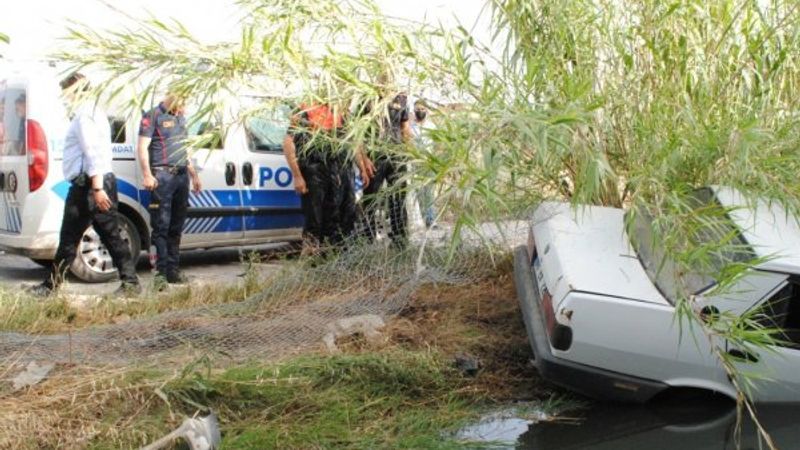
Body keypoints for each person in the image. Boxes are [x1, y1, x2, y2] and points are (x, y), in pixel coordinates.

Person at [30, 73, 141, 296]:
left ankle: (51, 286)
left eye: (66, 93)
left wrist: (97, 189)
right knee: (109, 235)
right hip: (94, 184)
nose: (64, 98)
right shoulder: (93, 113)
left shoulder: (84, 117)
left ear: (76, 91)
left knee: (71, 237)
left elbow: (94, 154)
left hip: (89, 186)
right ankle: (130, 283)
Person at [137, 93, 201, 286]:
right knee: (161, 227)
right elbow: (142, 147)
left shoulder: (180, 117)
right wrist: (147, 174)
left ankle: (173, 271)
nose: (185, 109)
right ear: (174, 98)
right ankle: (160, 274)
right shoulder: (153, 115)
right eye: (184, 104)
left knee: (176, 227)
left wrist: (194, 174)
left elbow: (185, 148)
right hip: (162, 176)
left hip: (181, 176)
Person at [283, 101, 356, 253]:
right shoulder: (306, 109)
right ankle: (311, 266)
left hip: (333, 172)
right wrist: (297, 176)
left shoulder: (339, 111)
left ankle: (329, 263)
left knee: (333, 220)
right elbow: (288, 143)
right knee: (314, 222)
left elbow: (352, 143)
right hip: (313, 171)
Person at [356, 87, 413, 248]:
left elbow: (405, 128)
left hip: (397, 156)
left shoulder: (401, 98)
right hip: (375, 157)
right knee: (370, 199)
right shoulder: (368, 97)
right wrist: (364, 159)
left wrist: (409, 153)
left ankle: (400, 240)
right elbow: (358, 132)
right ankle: (367, 240)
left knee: (398, 198)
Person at [410, 98, 436, 228]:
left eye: (422, 109)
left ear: (426, 110)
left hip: (428, 161)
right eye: (417, 109)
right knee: (419, 192)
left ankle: (431, 219)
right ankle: (421, 219)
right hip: (415, 162)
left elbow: (438, 144)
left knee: (429, 192)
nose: (420, 111)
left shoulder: (431, 126)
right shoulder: (410, 126)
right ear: (413, 111)